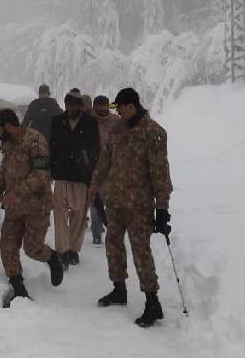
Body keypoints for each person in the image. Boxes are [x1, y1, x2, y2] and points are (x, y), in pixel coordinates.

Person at [90, 87, 172, 328]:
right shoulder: (118, 130)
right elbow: (105, 160)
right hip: (115, 201)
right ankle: (119, 289)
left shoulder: (153, 132)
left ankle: (152, 301)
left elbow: (160, 173)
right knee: (113, 245)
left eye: (120, 108)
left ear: (130, 106)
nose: (118, 112)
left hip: (138, 205)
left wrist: (162, 208)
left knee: (140, 251)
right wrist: (95, 182)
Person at [0, 108, 65, 302]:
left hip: (36, 205)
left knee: (32, 248)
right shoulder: (8, 143)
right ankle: (18, 285)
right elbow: (6, 168)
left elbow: (42, 175)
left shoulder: (35, 140)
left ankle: (52, 258)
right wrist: (0, 187)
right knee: (7, 245)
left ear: (8, 126)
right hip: (14, 207)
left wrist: (17, 191)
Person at [49, 89, 100, 267]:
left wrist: (92, 171)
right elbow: (51, 147)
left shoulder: (90, 123)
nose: (72, 108)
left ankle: (73, 250)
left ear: (81, 106)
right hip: (61, 175)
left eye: (75, 105)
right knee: (60, 216)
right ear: (65, 105)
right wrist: (51, 170)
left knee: (79, 216)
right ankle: (62, 251)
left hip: (81, 176)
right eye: (69, 104)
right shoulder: (57, 122)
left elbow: (95, 150)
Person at [88, 95, 121, 245]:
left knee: (113, 202)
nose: (101, 110)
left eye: (104, 107)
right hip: (94, 168)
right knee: (95, 202)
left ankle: (114, 231)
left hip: (114, 168)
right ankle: (96, 234)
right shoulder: (88, 121)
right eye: (98, 107)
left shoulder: (116, 122)